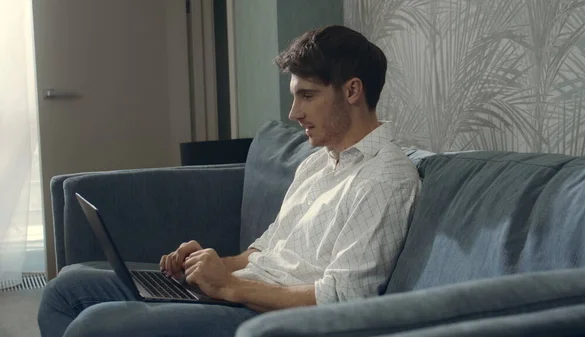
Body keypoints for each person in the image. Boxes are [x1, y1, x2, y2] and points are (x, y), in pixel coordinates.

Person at [37, 25, 420, 337]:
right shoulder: (318, 163)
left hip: (272, 320)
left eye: (307, 96)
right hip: (240, 294)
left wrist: (229, 287)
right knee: (66, 288)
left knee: (95, 325)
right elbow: (265, 251)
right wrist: (212, 264)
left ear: (352, 91)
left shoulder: (385, 177)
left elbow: (345, 300)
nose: (293, 113)